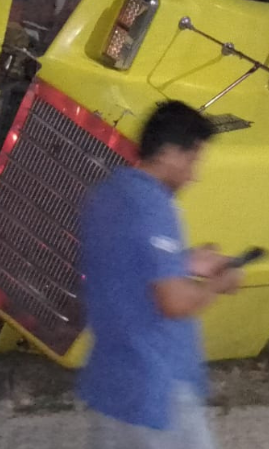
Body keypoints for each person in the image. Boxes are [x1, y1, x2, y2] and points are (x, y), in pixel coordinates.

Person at [77, 101, 242, 449]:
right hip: (155, 386)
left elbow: (128, 264)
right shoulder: (153, 205)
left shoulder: (108, 193)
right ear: (169, 153)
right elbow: (174, 302)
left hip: (111, 380)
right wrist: (216, 285)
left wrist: (184, 261)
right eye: (193, 159)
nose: (193, 173)